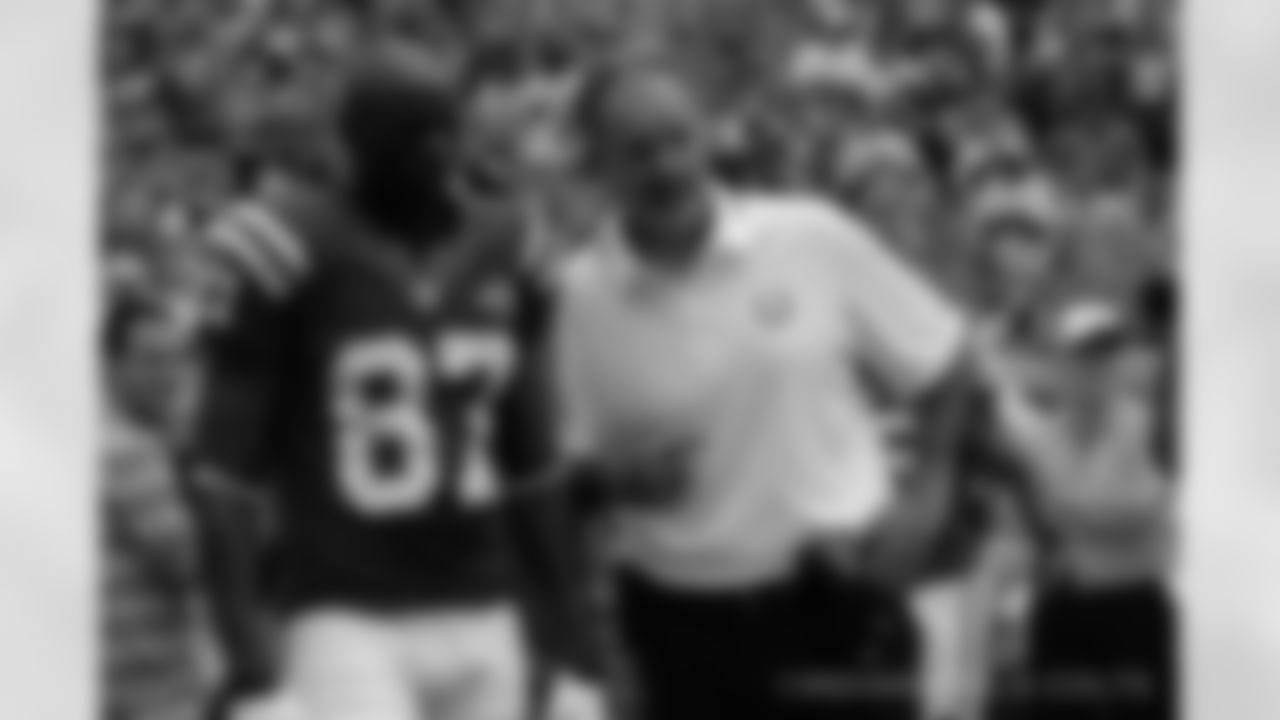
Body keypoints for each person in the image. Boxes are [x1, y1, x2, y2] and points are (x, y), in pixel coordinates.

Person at [549, 56, 989, 720]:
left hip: (841, 610)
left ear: (706, 136)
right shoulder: (573, 300)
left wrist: (927, 495)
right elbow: (548, 477)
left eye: (678, 139)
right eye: (639, 152)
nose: (667, 167)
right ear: (597, 166)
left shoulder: (808, 237)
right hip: (682, 636)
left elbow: (949, 362)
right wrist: (614, 480)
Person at [182, 45, 602, 720]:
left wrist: (575, 649)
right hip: (347, 613)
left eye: (432, 139)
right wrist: (252, 670)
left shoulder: (508, 242)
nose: (424, 159)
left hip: (485, 603)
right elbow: (222, 480)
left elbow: (534, 465)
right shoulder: (287, 245)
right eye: (397, 142)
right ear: (350, 149)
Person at [991, 301, 1176, 720]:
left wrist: (1059, 502)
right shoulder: (1045, 435)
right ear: (1060, 365)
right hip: (1063, 611)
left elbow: (1134, 508)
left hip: (1133, 612)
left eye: (1106, 357)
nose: (1095, 370)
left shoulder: (1147, 428)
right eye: (1083, 358)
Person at [103, 290, 212, 720]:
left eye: (175, 359)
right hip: (151, 694)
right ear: (111, 365)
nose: (168, 375)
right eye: (150, 360)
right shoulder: (128, 451)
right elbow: (192, 562)